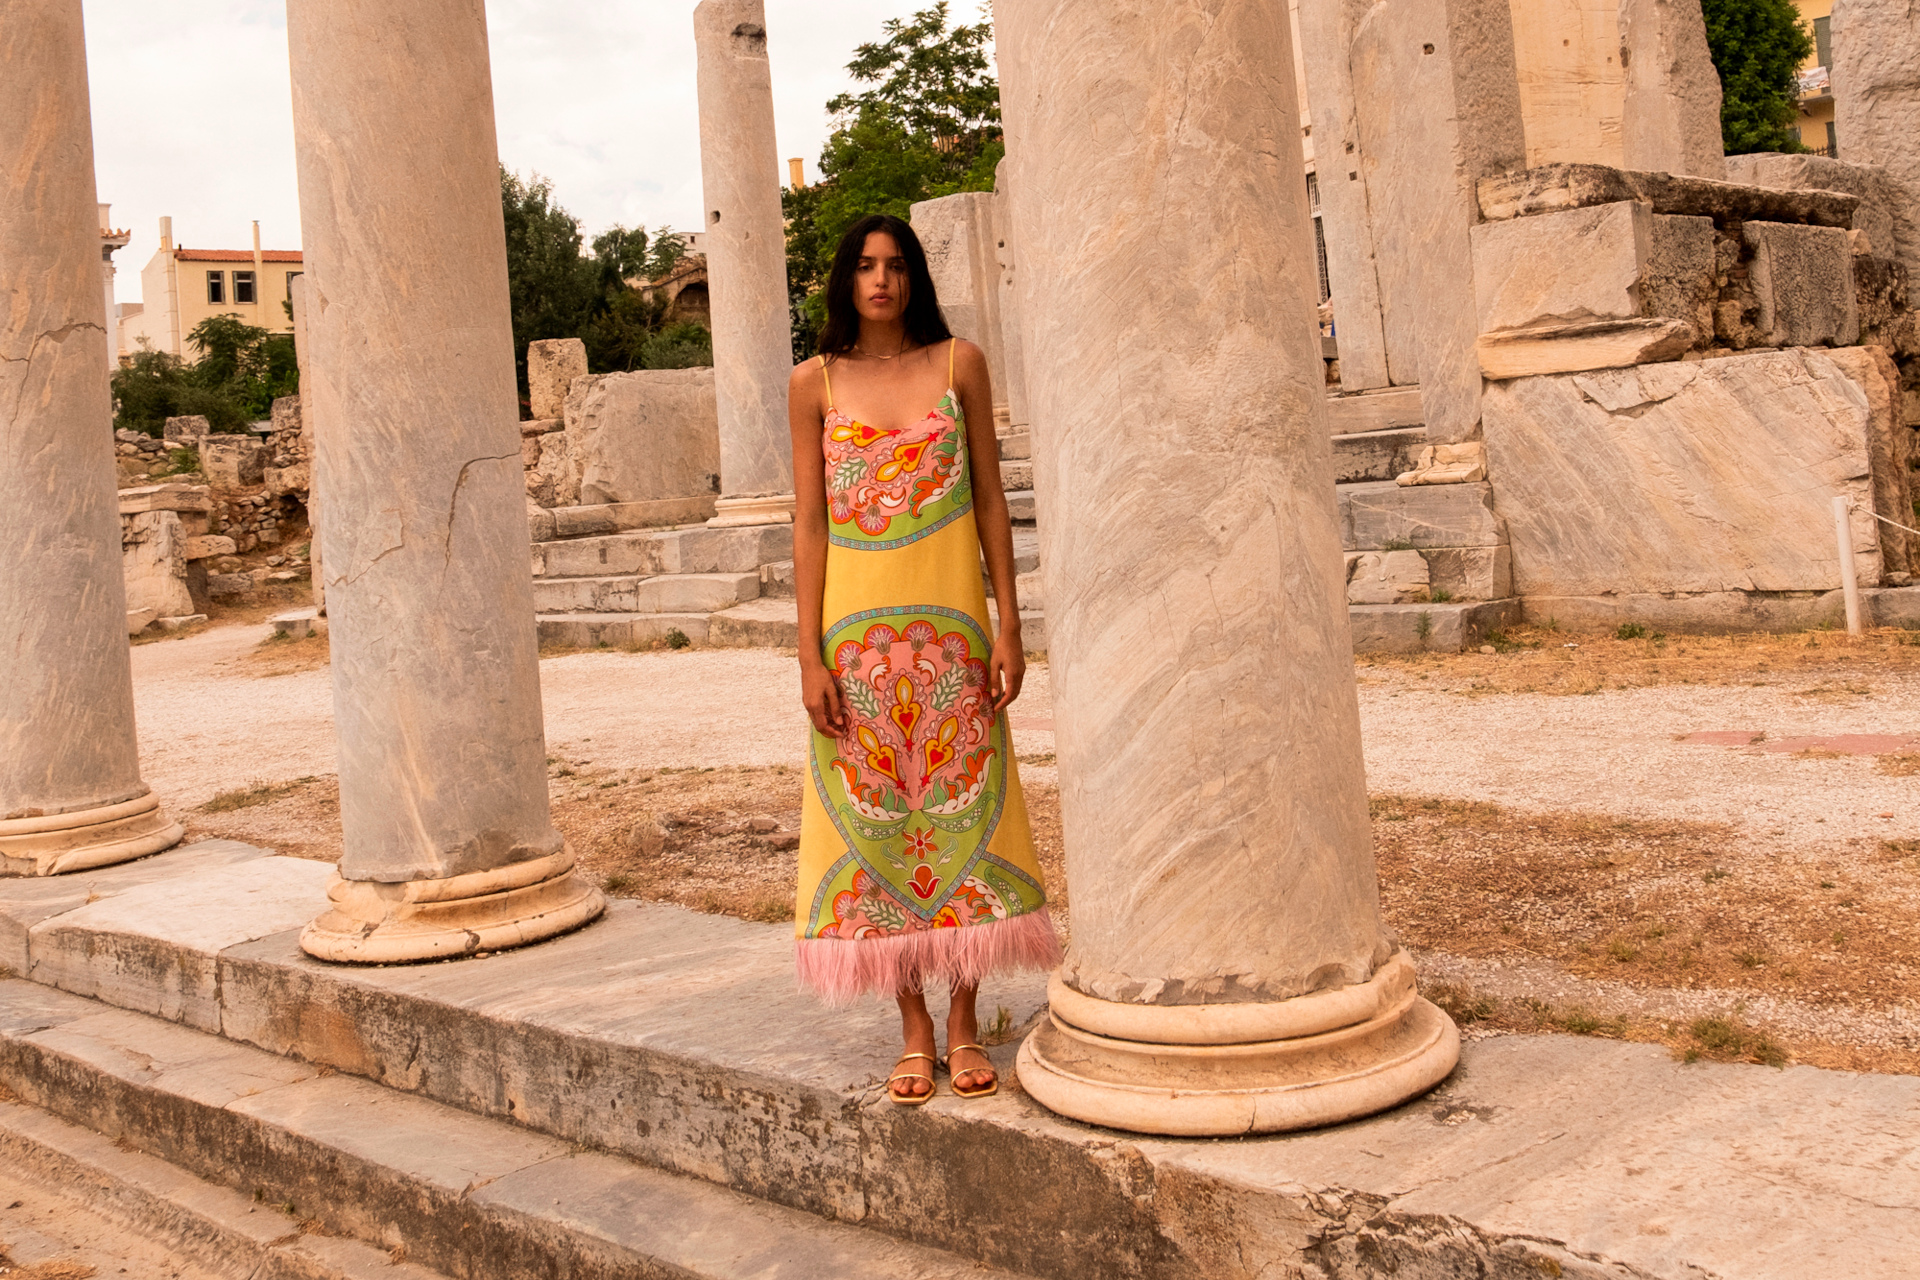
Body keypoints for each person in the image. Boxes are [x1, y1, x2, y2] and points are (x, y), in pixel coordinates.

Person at [787, 213, 1061, 1105]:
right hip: (855, 640)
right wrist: (808, 657)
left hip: (952, 630)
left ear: (914, 278)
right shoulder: (812, 384)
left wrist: (1010, 623)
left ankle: (966, 1018)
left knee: (963, 806)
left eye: (896, 266)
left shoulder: (959, 365)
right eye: (865, 266)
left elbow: (990, 497)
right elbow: (809, 522)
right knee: (875, 823)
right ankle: (910, 1024)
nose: (881, 281)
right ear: (844, 279)